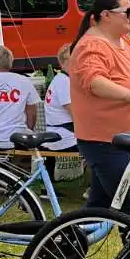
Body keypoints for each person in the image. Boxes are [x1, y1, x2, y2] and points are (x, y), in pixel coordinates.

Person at [70, 0, 130, 212]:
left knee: (98, 208)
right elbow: (94, 82)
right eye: (127, 11)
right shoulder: (91, 46)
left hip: (125, 139)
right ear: (106, 15)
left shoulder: (124, 42)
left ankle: (67, 243)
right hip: (105, 141)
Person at [41, 43, 79, 178]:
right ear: (63, 63)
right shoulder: (64, 82)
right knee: (99, 147)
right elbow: (76, 115)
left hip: (58, 132)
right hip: (63, 136)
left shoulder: (62, 79)